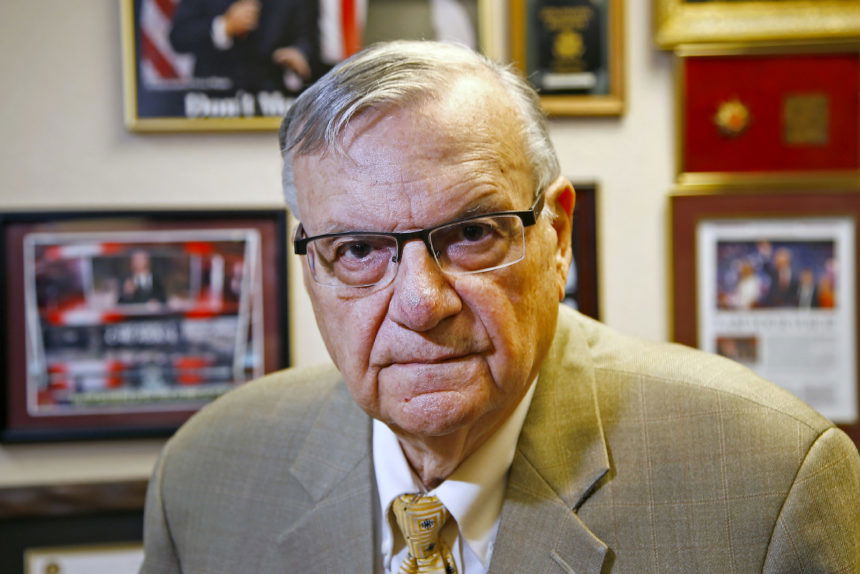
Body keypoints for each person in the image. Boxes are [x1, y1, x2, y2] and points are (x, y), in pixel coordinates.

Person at [140, 41, 860, 573]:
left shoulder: (770, 481)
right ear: (311, 267)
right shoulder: (206, 475)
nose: (422, 304)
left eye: (472, 234)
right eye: (357, 249)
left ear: (558, 236)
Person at [169, 0, 319, 93]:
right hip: (211, 100)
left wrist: (299, 53)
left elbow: (307, 39)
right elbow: (179, 38)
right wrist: (224, 26)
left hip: (271, 99)